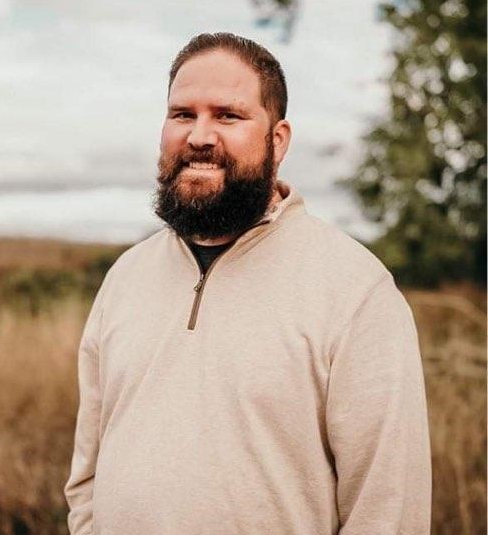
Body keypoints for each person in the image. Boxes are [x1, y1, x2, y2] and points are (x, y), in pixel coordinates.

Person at [64, 32, 431, 534]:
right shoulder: (125, 277)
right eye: (183, 114)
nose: (199, 136)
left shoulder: (355, 290)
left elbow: (389, 509)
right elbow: (87, 472)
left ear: (277, 140)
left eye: (228, 115)